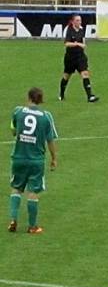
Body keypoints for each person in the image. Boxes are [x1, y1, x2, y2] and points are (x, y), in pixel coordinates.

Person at [8, 87, 57, 234]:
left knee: (16, 188)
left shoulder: (18, 111)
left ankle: (13, 219)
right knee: (33, 191)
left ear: (28, 97)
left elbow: (13, 131)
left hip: (19, 157)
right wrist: (54, 158)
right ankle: (32, 226)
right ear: (41, 99)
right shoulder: (46, 116)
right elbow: (50, 140)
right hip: (36, 160)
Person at [60, 14, 99, 102]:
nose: (79, 22)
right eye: (77, 20)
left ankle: (90, 96)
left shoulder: (81, 30)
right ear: (73, 21)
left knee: (85, 74)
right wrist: (77, 44)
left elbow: (83, 43)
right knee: (66, 76)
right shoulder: (69, 30)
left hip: (80, 56)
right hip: (70, 57)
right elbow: (66, 43)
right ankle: (61, 94)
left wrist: (83, 45)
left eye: (80, 20)